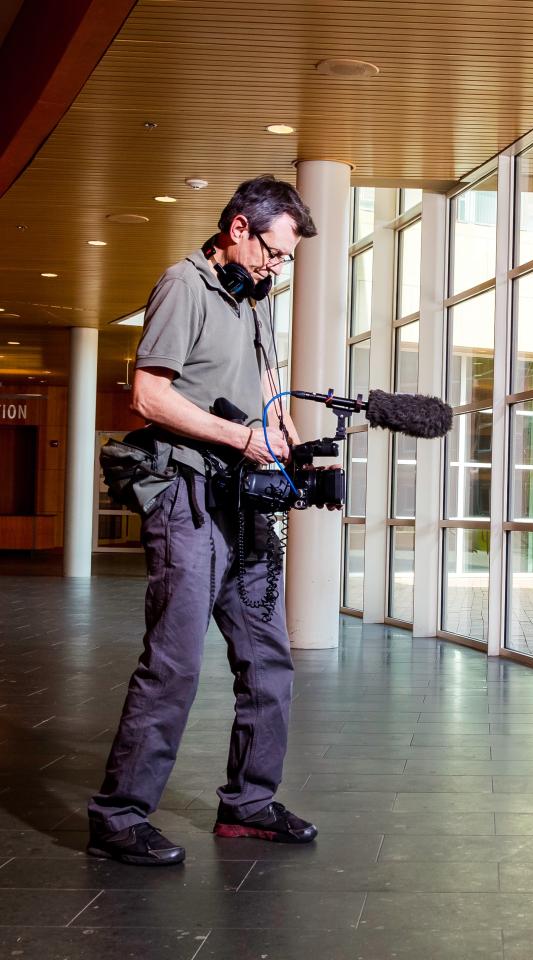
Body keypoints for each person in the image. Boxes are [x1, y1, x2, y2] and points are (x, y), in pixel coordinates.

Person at [87, 176, 320, 865]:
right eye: (272, 253)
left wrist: (288, 440)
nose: (277, 268)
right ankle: (117, 817)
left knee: (268, 657)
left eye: (286, 260)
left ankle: (249, 804)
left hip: (242, 500)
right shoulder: (184, 286)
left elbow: (267, 392)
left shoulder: (256, 302)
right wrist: (244, 440)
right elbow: (149, 397)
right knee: (175, 662)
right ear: (239, 228)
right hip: (187, 497)